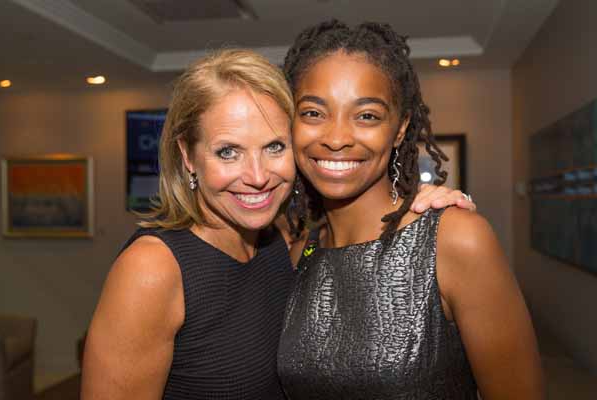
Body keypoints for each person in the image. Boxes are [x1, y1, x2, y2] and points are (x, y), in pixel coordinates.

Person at [81, 49, 474, 400]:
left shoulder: (284, 242)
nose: (256, 176)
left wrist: (421, 203)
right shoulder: (152, 269)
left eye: (273, 147)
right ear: (187, 155)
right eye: (228, 151)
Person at [277, 20, 544, 399]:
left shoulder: (454, 240)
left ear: (400, 129)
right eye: (313, 113)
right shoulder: (297, 251)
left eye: (366, 115)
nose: (336, 138)